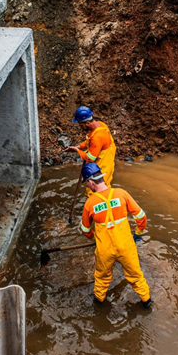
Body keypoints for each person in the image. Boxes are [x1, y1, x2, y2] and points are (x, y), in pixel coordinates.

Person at [79, 163, 152, 307]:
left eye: (87, 184)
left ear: (92, 182)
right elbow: (141, 217)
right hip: (126, 246)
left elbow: (85, 229)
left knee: (101, 278)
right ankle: (146, 302)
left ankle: (99, 304)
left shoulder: (90, 203)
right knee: (136, 276)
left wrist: (95, 238)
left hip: (105, 250)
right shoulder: (121, 194)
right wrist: (138, 233)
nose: (88, 187)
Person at [65, 106, 116, 194]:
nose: (80, 127)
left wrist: (77, 151)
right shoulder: (101, 125)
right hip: (107, 164)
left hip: (103, 167)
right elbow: (89, 142)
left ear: (87, 123)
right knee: (105, 188)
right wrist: (79, 147)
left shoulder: (97, 137)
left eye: (80, 124)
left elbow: (89, 158)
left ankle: (97, 206)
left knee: (95, 190)